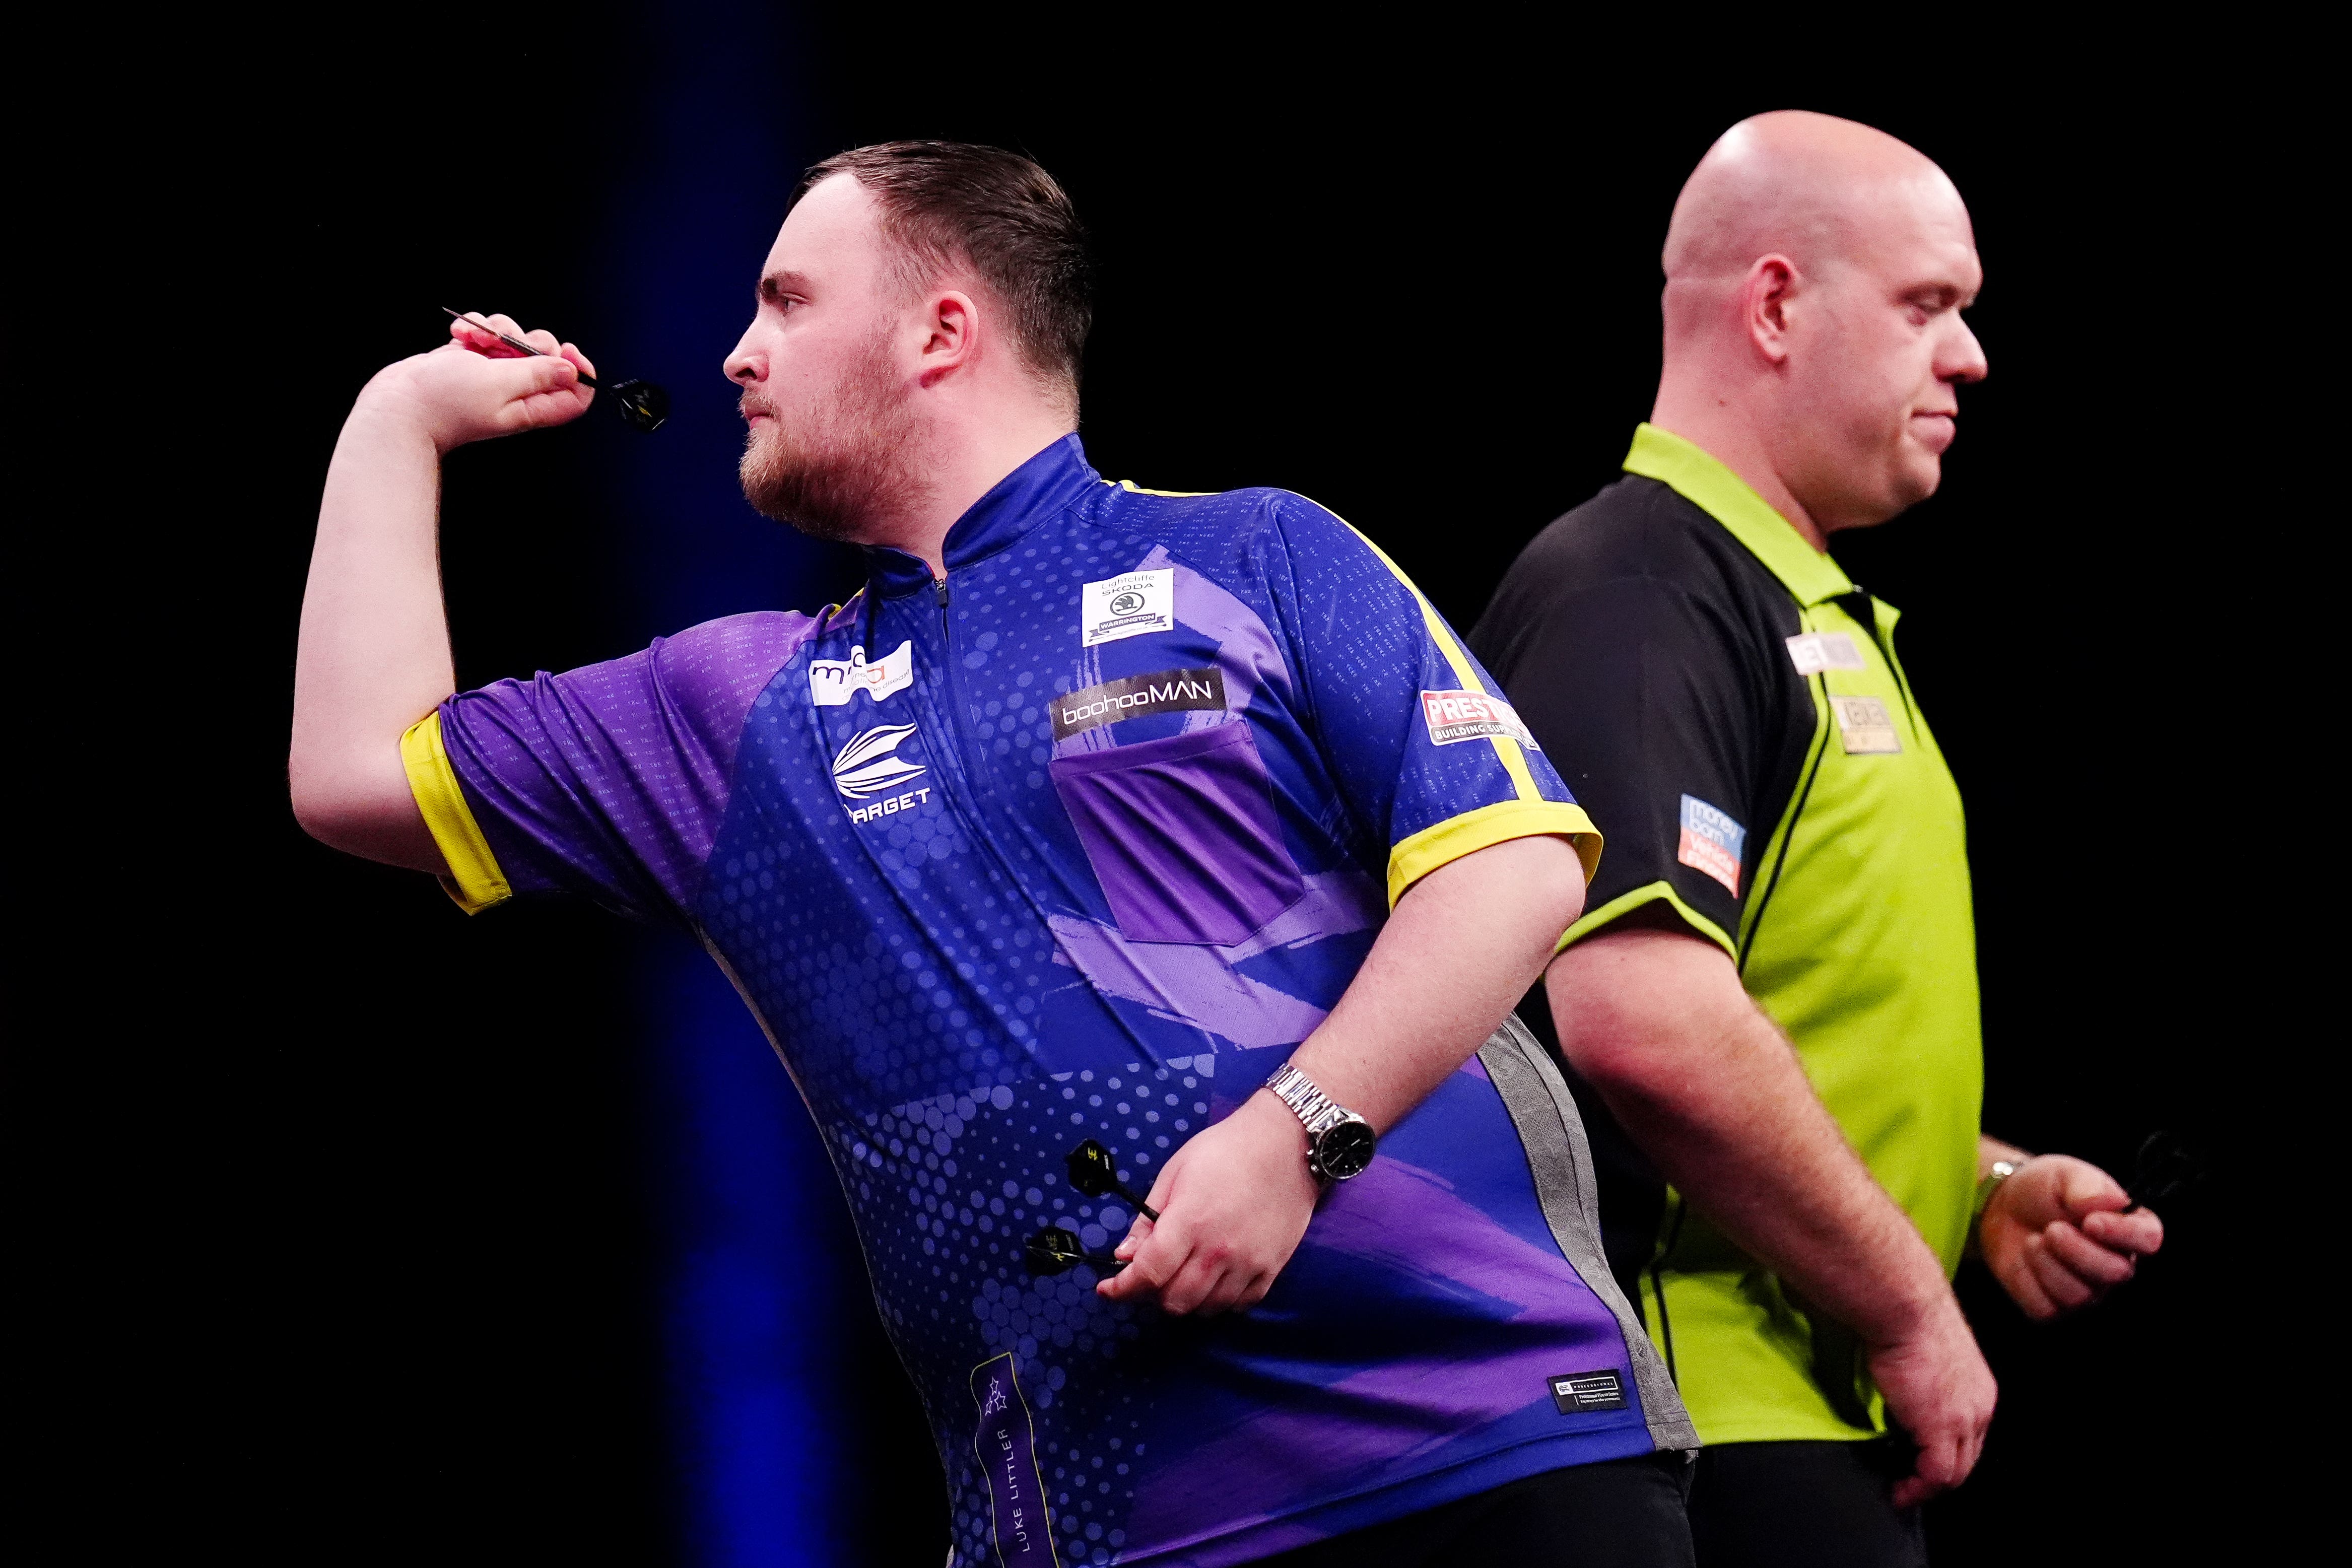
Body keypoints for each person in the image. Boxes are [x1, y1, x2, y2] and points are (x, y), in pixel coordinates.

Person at [291, 141, 1699, 1566]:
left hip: (1493, 1446)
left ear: (941, 329)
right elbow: (354, 773)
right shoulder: (733, 713)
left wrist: (1294, 1136)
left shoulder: (1264, 553)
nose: (733, 356)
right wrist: (396, 417)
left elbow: (1513, 867)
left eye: (784, 302)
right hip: (1107, 1525)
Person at [1468, 112, 2165, 1565]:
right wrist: (1912, 1301)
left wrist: (1970, 1180)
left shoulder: (1793, 608)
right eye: (1930, 306)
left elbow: (1784, 1004)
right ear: (1778, 305)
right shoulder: (1640, 591)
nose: (1970, 356)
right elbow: (1644, 1018)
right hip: (1700, 1424)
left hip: (1804, 1416)